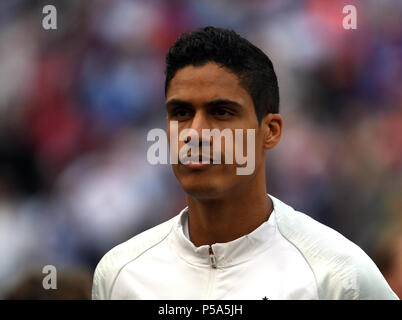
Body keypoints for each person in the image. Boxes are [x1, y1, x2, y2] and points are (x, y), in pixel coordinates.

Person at [91, 26, 398, 300]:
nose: (196, 133)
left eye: (221, 112)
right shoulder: (121, 275)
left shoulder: (337, 277)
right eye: (181, 113)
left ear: (270, 131)